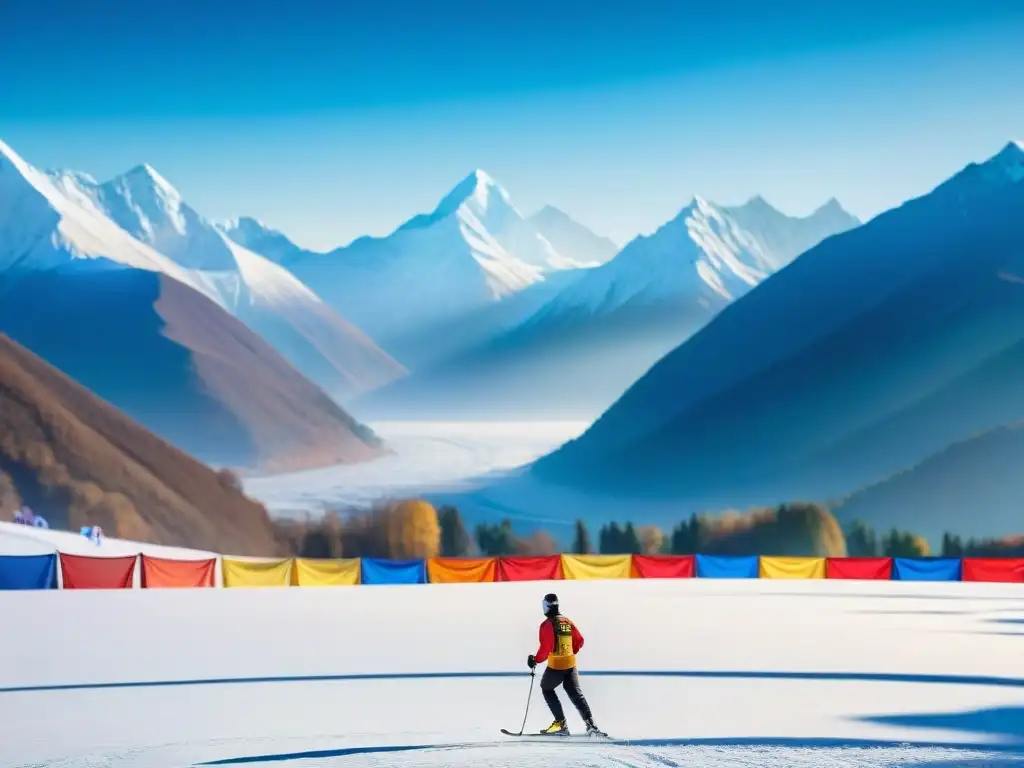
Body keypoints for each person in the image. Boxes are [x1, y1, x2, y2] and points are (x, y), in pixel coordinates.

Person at [527, 593, 605, 736]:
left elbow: (547, 647)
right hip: (570, 664)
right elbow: (579, 640)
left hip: (556, 666)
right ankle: (591, 725)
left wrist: (535, 660)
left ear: (545, 606)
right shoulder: (566, 621)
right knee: (575, 693)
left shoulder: (547, 625)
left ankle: (561, 724)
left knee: (546, 688)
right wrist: (570, 651)